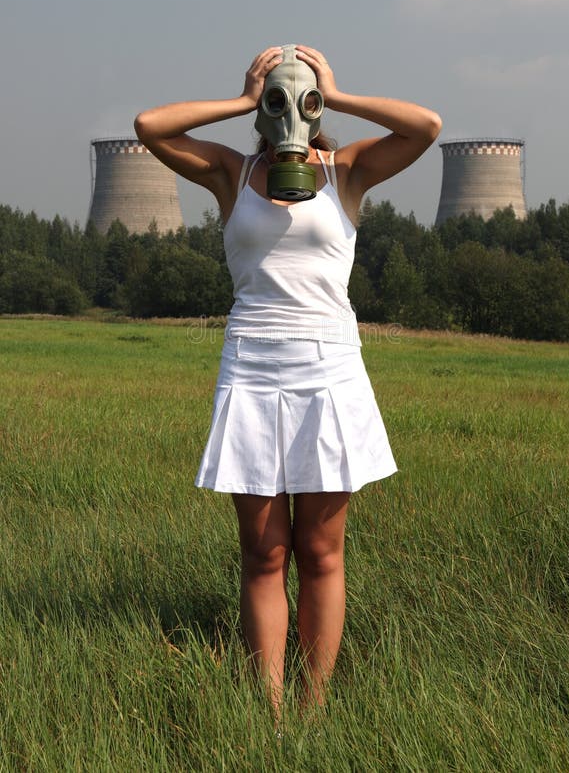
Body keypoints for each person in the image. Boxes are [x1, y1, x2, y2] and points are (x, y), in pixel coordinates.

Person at [134, 45, 442, 718]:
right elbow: (149, 126)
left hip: (329, 370)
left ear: (317, 107)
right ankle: (268, 710)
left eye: (301, 102)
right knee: (264, 551)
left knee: (321, 551)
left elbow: (426, 127)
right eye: (278, 100)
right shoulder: (230, 172)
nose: (288, 117)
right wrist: (242, 100)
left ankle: (313, 704)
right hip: (251, 368)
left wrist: (339, 90)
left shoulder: (347, 172)